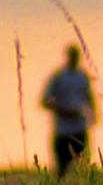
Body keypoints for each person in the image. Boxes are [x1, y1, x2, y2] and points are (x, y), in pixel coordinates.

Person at [39, 45, 95, 177]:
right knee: (62, 169)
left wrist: (93, 115)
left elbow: (89, 97)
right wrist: (62, 111)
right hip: (62, 131)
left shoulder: (83, 77)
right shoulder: (58, 76)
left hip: (80, 129)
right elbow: (45, 101)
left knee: (83, 167)